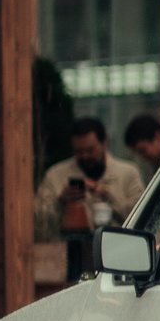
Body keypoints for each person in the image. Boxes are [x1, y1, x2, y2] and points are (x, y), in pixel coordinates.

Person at [36, 117, 147, 275]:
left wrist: (108, 195)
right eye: (78, 152)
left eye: (90, 150)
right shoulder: (56, 175)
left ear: (104, 143)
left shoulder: (128, 173)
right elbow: (39, 223)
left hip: (120, 262)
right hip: (69, 264)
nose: (85, 156)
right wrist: (61, 201)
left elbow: (141, 217)